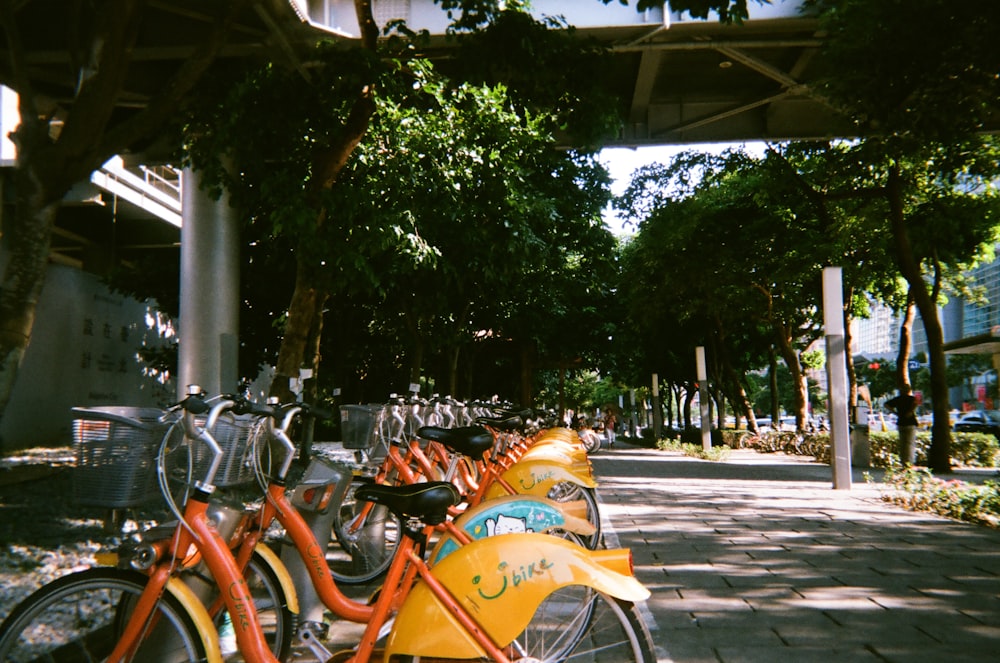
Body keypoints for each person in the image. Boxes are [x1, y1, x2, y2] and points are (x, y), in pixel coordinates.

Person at [885, 386, 918, 465]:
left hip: (901, 422)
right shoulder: (911, 399)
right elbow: (915, 403)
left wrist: (894, 412)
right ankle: (909, 462)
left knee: (903, 444)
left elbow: (886, 404)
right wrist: (910, 412)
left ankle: (903, 461)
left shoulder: (898, 399)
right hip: (911, 422)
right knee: (910, 443)